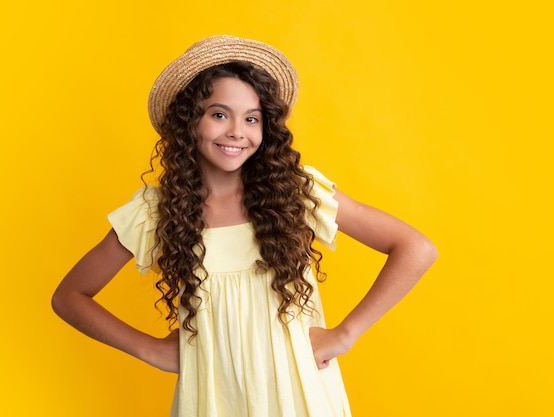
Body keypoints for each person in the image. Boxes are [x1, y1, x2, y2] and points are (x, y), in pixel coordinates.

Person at [52, 35, 438, 417]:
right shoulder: (156, 212)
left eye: (251, 118)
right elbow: (69, 296)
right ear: (191, 122)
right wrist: (149, 349)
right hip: (212, 399)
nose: (237, 130)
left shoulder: (294, 193)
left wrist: (345, 335)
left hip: (299, 395)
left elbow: (416, 248)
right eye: (219, 114)